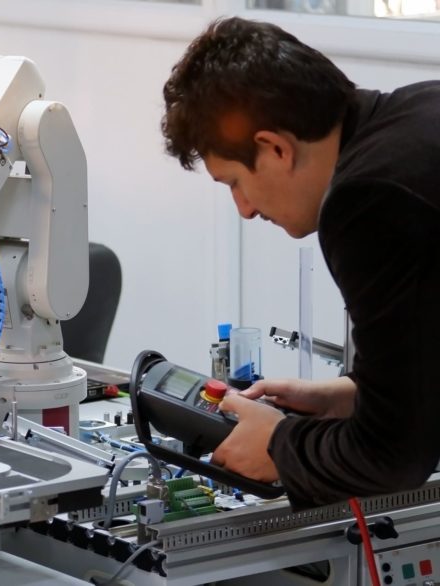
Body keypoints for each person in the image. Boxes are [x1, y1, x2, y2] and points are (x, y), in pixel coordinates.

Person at [161, 16, 440, 509]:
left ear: (274, 149)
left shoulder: (368, 200)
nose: (244, 209)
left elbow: (393, 457)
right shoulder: (419, 110)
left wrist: (279, 446)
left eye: (233, 182)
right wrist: (352, 396)